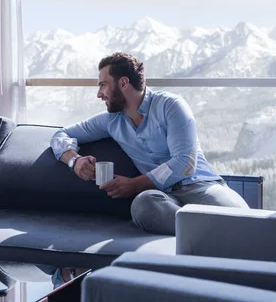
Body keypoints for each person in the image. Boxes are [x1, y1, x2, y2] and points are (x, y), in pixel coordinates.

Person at [51, 52, 249, 236]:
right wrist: (74, 161)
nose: (99, 94)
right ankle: (209, 235)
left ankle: (203, 235)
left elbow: (185, 163)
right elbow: (60, 135)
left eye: (103, 85)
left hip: (200, 187)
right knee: (143, 205)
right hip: (162, 199)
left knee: (244, 221)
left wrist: (134, 184)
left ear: (123, 83)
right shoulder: (110, 121)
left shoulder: (170, 106)